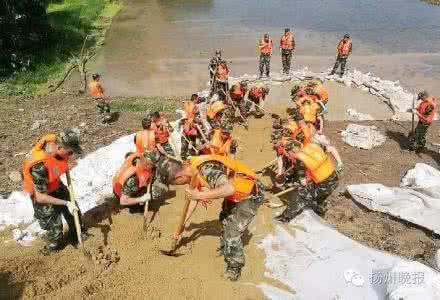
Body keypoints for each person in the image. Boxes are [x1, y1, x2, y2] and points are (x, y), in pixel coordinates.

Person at [166, 155, 265, 281]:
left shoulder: (207, 169)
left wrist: (201, 195)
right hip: (235, 192)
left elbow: (229, 188)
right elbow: (193, 200)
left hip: (250, 193)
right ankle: (227, 248)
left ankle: (234, 267)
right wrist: (183, 224)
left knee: (232, 231)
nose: (181, 185)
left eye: (177, 183)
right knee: (224, 219)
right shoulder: (191, 168)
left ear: (179, 177)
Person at [22, 129, 87, 255]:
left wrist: (68, 203)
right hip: (41, 193)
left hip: (55, 185)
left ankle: (76, 234)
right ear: (59, 147)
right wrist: (65, 203)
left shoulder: (56, 144)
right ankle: (52, 250)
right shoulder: (39, 166)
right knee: (55, 230)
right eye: (69, 152)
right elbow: (40, 197)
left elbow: (57, 164)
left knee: (75, 213)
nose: (71, 156)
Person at [275, 140, 343, 223]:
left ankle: (285, 218)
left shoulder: (300, 160)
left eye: (288, 153)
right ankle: (320, 214)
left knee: (301, 194)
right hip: (334, 178)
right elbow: (332, 148)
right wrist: (339, 163)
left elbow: (303, 182)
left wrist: (293, 184)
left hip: (324, 185)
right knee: (319, 197)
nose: (289, 155)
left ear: (292, 150)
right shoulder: (313, 146)